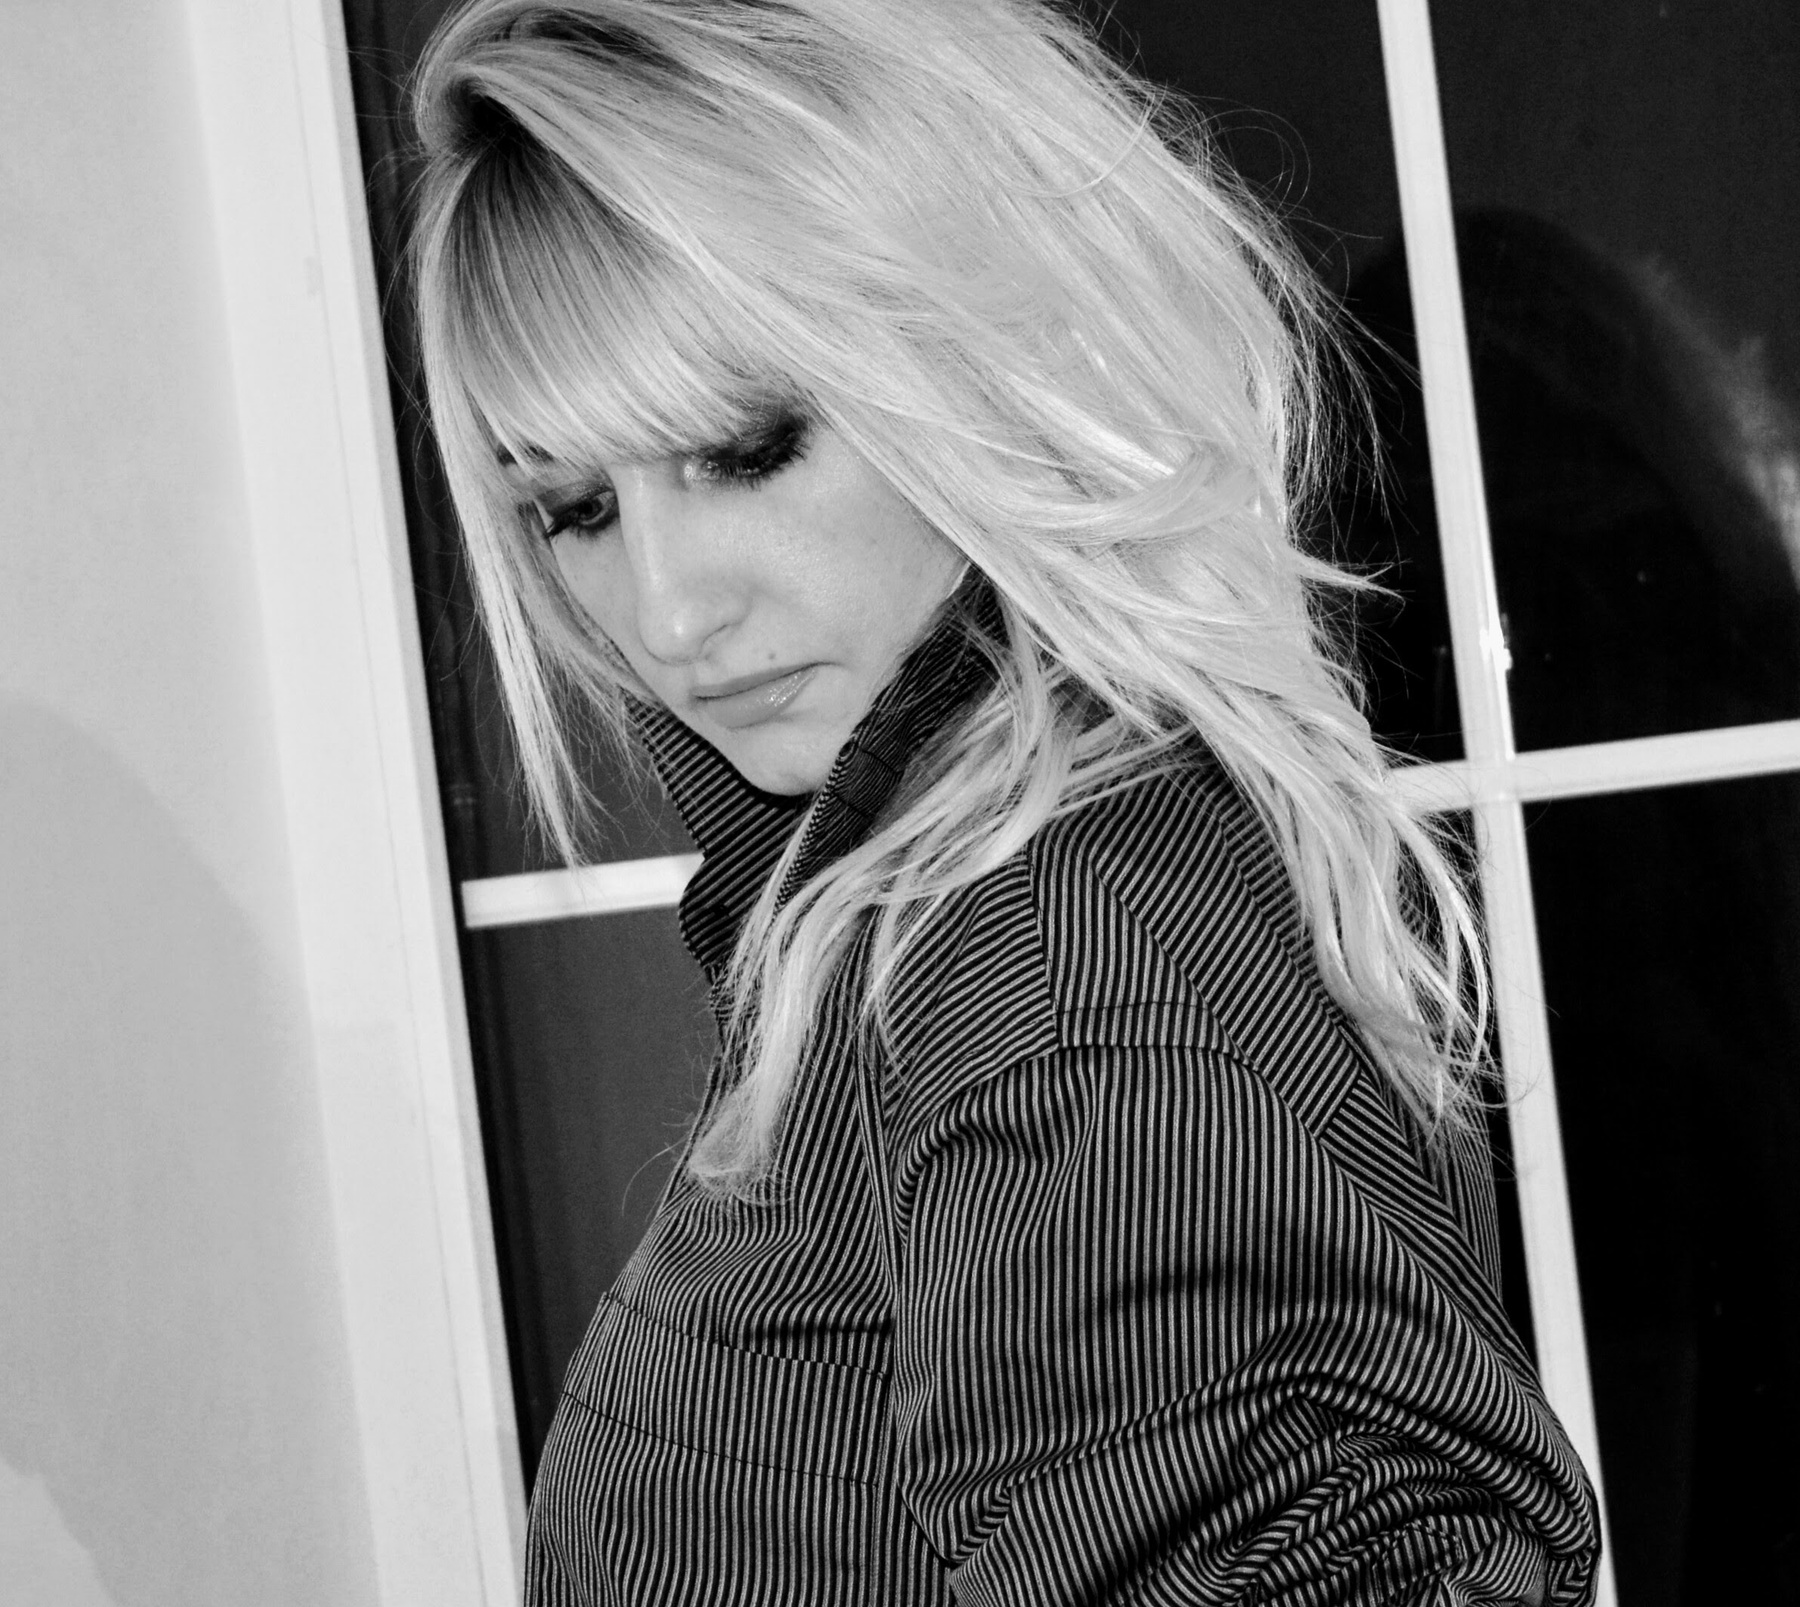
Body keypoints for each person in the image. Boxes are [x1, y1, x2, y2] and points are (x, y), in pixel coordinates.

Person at [408, 0, 1602, 1600]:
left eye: (745, 449)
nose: (670, 612)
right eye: (573, 507)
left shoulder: (1054, 954)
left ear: (986, 360)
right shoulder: (914, 921)